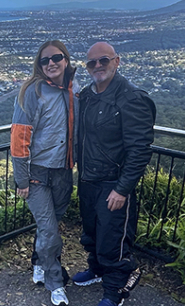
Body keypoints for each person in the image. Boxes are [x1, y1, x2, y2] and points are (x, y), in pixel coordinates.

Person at [73, 42, 155, 306]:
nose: (98, 66)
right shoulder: (87, 95)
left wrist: (122, 188)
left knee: (112, 238)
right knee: (92, 232)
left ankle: (115, 290)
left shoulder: (132, 98)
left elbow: (139, 149)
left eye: (104, 60)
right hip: (88, 178)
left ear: (117, 62)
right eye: (92, 63)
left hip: (113, 182)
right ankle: (96, 269)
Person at [11, 40, 78, 306]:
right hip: (38, 174)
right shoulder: (33, 91)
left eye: (56, 58)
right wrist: (21, 179)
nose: (51, 63)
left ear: (66, 60)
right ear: (38, 65)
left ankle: (39, 262)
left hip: (63, 172)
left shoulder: (73, 94)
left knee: (47, 226)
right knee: (50, 232)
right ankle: (56, 283)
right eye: (44, 60)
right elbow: (19, 136)